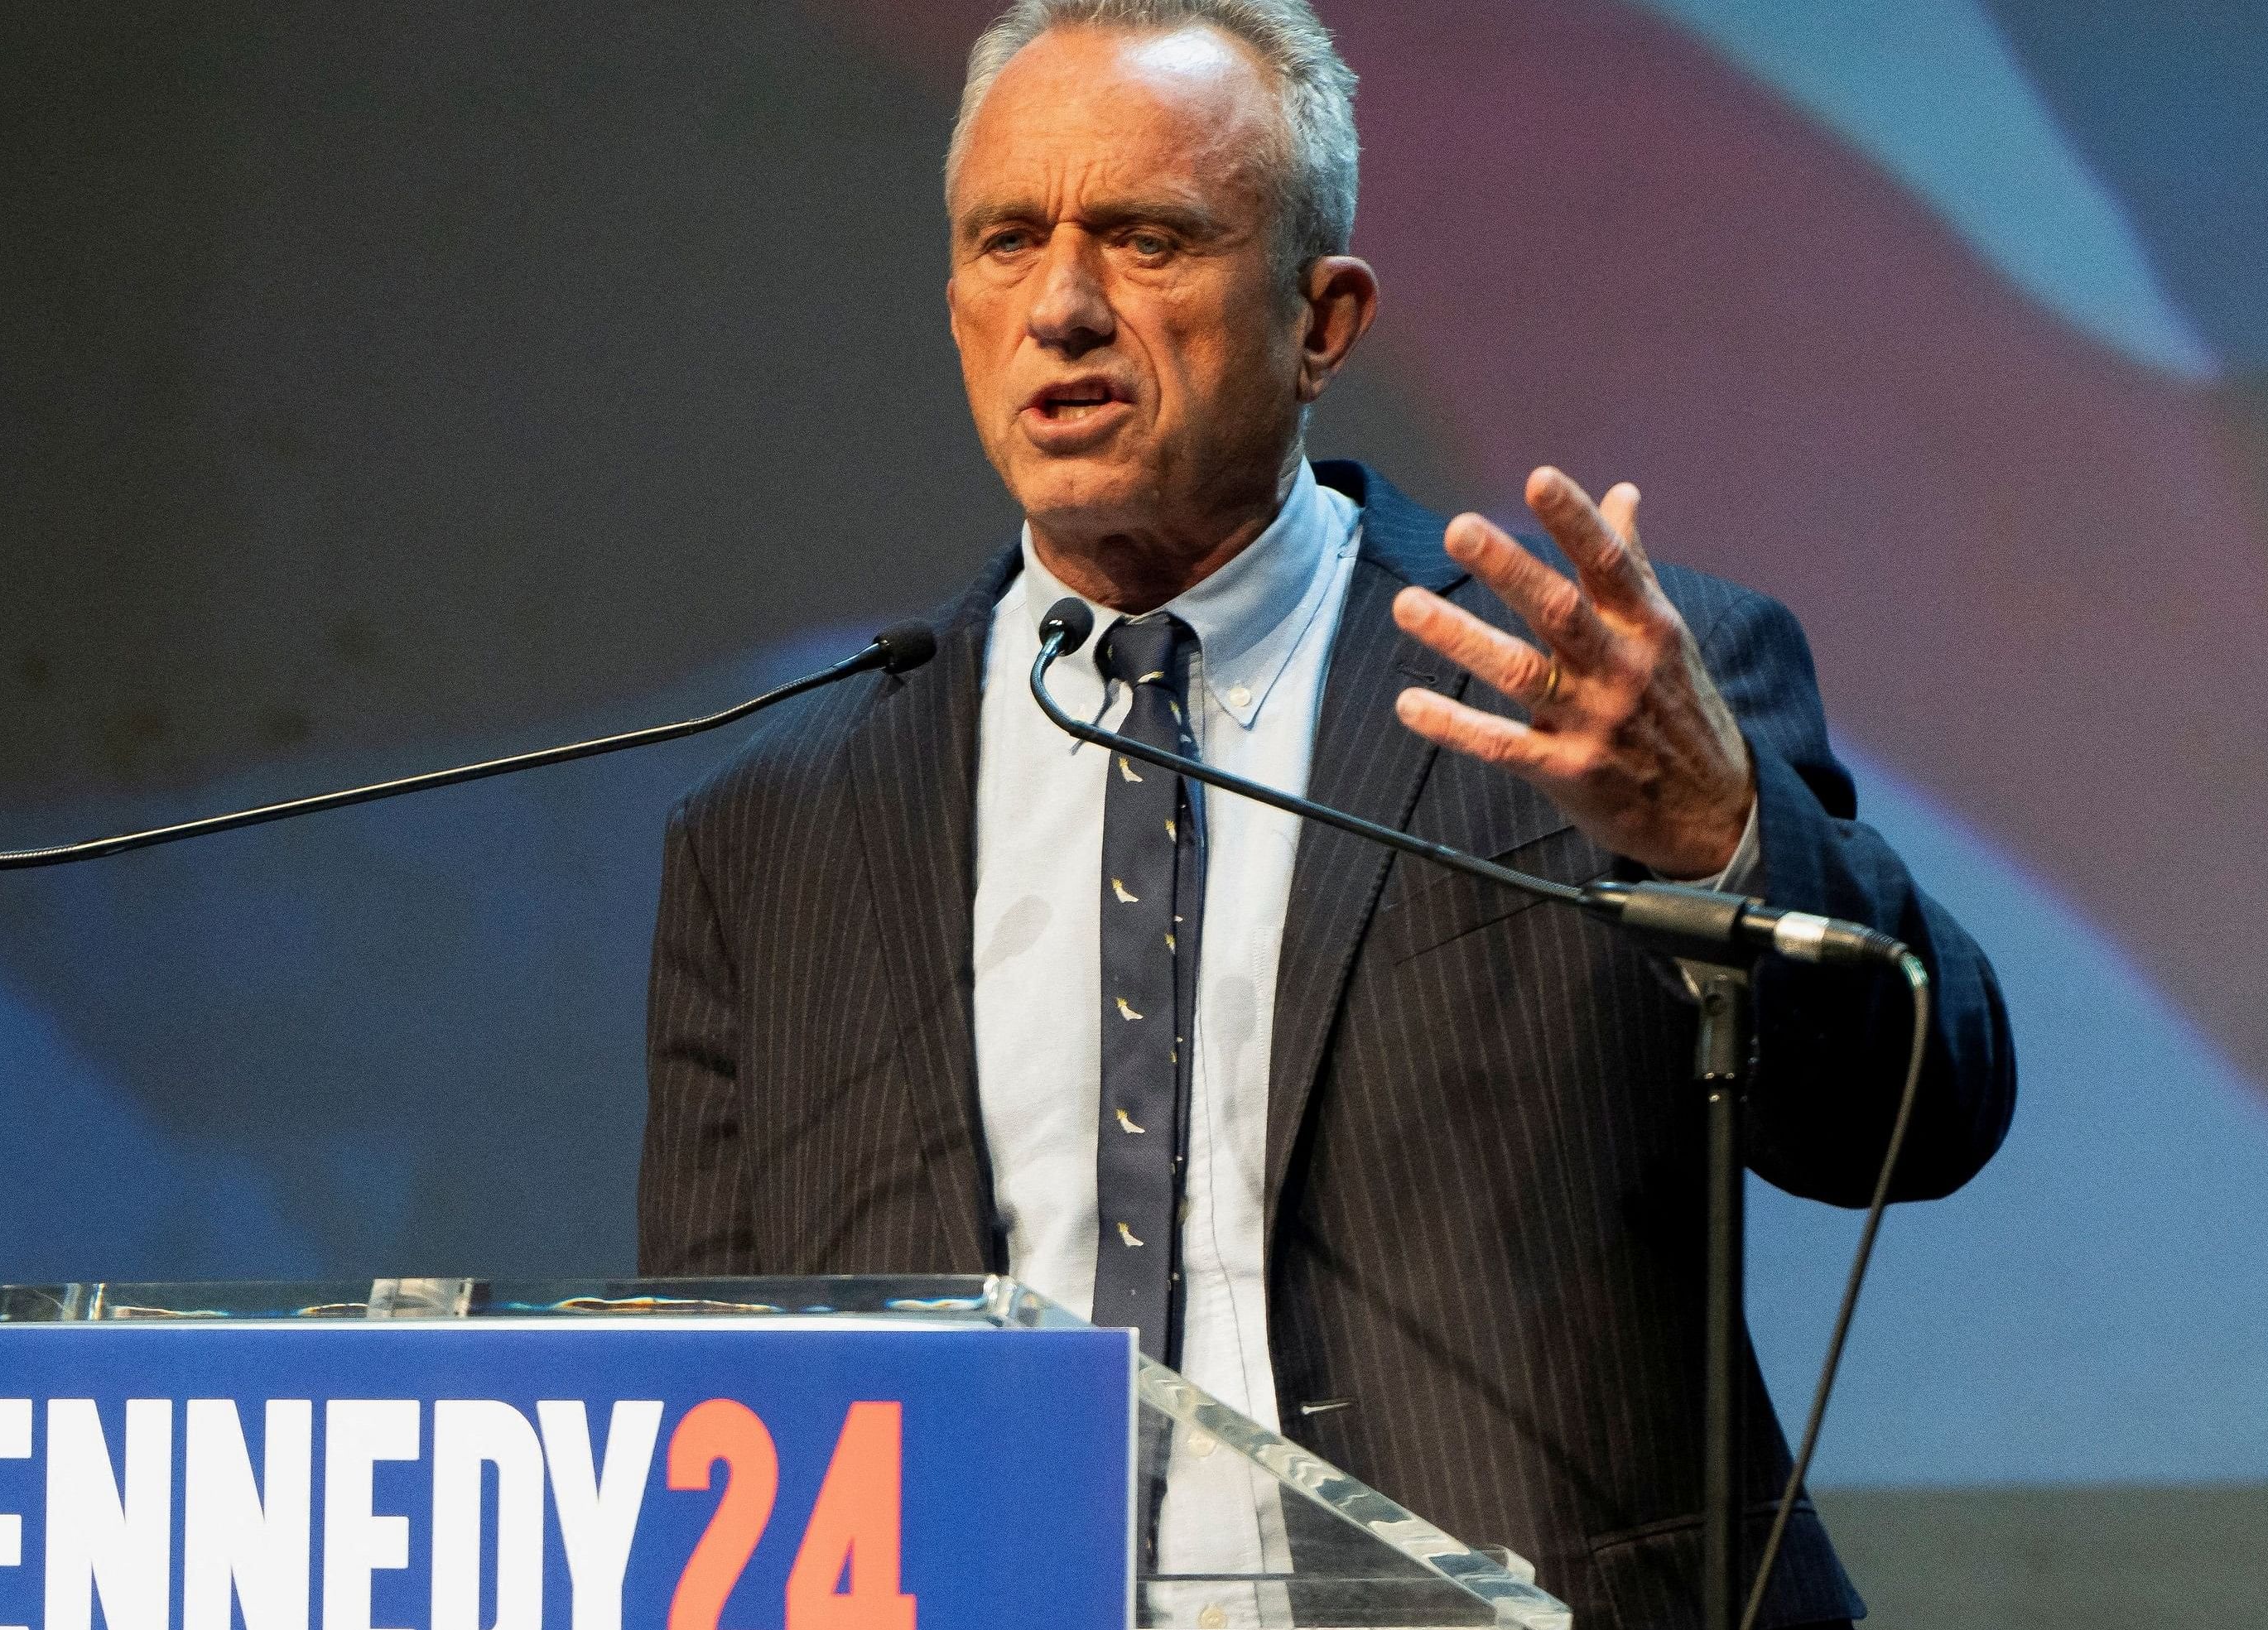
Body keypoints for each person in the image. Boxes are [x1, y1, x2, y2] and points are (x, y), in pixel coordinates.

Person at [638, 2, 2014, 1624]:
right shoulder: (777, 826)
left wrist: (1721, 833)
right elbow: (715, 1401)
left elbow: (1915, 1118)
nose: (1063, 306)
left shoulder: (1595, 698)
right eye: (1006, 240)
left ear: (1322, 320)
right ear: (955, 304)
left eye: (1146, 238)